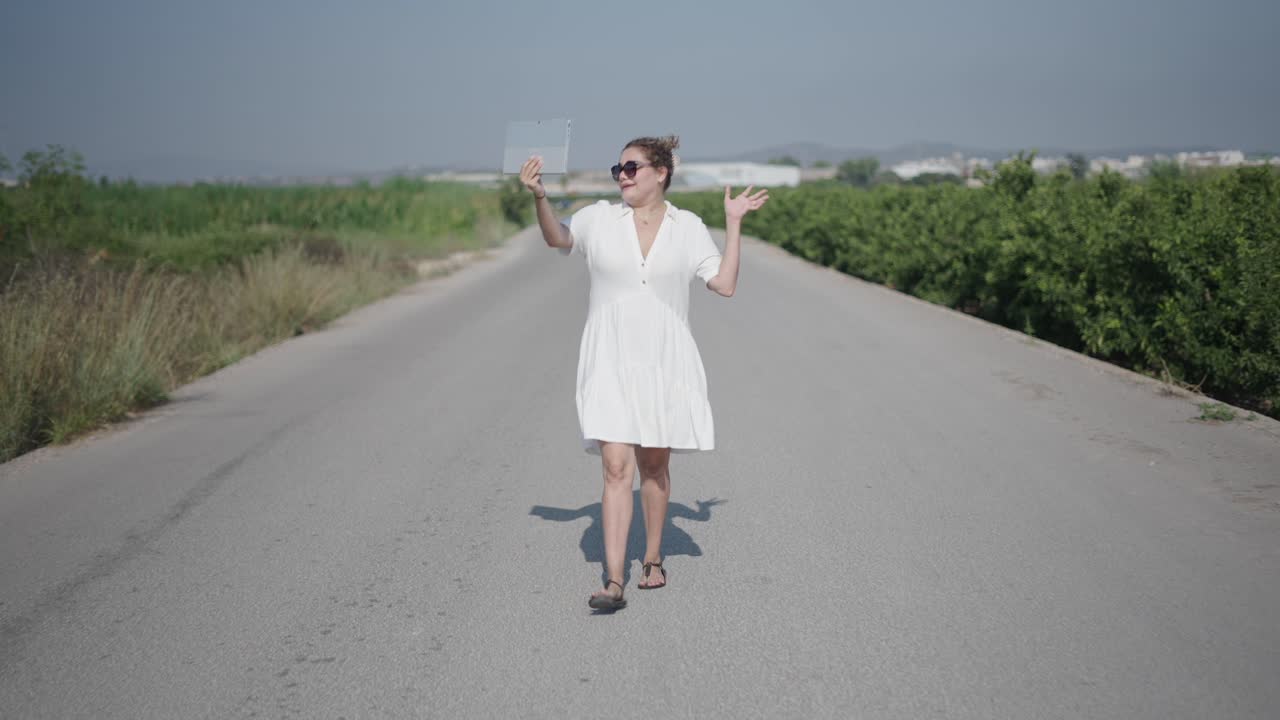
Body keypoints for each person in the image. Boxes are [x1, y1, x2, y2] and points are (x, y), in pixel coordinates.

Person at [519, 136, 768, 611]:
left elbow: (725, 284)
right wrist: (539, 196)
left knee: (654, 468)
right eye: (618, 169)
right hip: (609, 358)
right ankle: (614, 580)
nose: (623, 176)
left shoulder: (688, 227)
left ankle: (652, 557)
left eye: (632, 167)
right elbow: (558, 238)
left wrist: (733, 224)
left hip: (664, 360)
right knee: (616, 468)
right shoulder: (597, 218)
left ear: (661, 172)